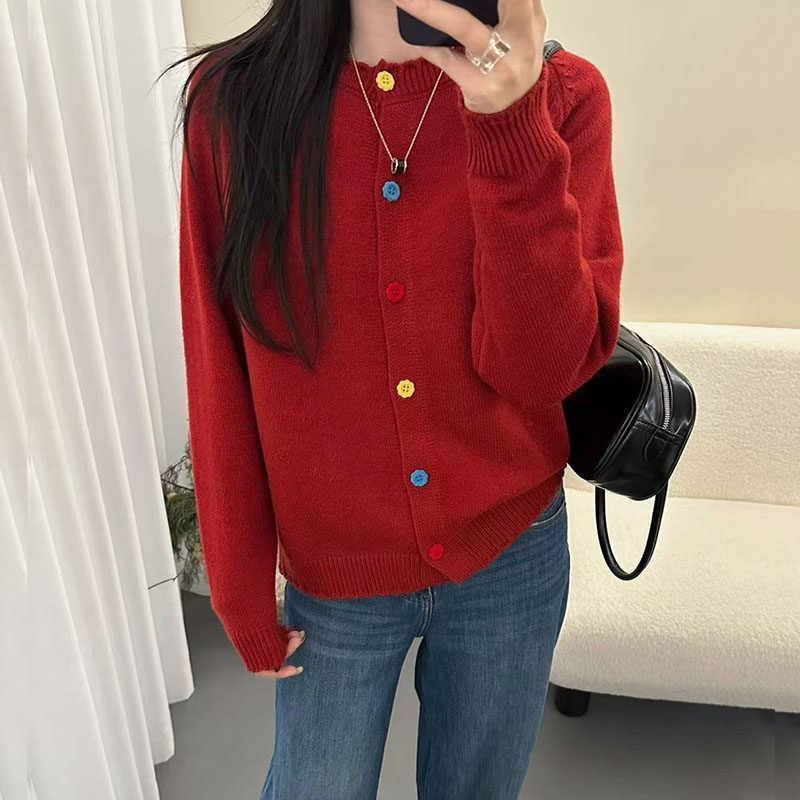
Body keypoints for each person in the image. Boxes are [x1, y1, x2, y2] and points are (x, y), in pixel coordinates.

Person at [165, 0, 623, 796]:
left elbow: (542, 373)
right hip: (334, 574)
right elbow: (217, 356)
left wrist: (510, 128)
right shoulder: (233, 102)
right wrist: (237, 580)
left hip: (510, 553)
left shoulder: (564, 96)